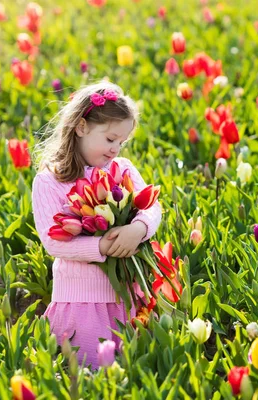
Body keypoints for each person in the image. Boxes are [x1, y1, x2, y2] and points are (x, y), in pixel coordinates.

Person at [31, 81, 162, 369]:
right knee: (89, 373)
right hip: (80, 301)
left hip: (127, 299)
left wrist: (138, 230)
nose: (115, 149)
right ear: (81, 127)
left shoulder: (122, 169)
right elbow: (53, 242)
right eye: (110, 139)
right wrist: (101, 245)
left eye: (121, 142)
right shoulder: (50, 182)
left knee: (133, 373)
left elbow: (152, 207)